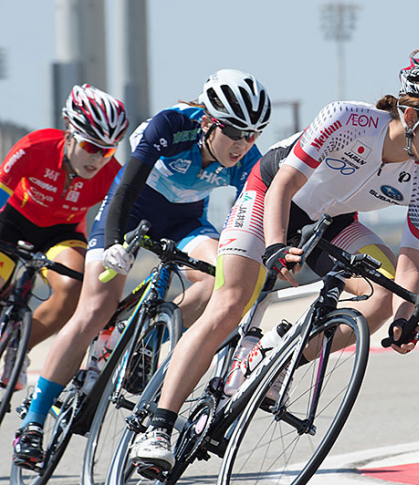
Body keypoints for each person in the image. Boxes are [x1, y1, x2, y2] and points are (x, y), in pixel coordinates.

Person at [130, 46, 419, 473]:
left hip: (331, 223)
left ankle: (281, 356)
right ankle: (159, 425)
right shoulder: (348, 120)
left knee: (380, 299)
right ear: (411, 114)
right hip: (271, 197)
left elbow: (410, 266)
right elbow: (284, 185)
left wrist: (407, 317)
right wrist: (275, 246)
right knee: (230, 303)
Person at [12, 69, 272, 469]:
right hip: (130, 212)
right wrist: (115, 242)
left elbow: (246, 220)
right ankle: (34, 418)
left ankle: (149, 339)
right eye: (235, 132)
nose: (242, 144)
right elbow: (124, 189)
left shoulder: (247, 160)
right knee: (96, 307)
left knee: (219, 279)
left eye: (253, 134)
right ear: (208, 121)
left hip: (186, 223)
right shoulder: (170, 126)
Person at [0, 84, 128, 392]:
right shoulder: (36, 146)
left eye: (107, 150)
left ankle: (19, 347)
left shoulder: (111, 173)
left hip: (63, 233)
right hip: (15, 220)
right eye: (91, 146)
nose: (97, 159)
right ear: (70, 132)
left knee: (72, 287)